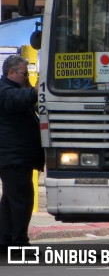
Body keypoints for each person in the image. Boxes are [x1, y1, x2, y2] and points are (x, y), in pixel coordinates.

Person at [0, 55, 44, 249]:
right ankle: (19, 244)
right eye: (24, 74)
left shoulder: (14, 89)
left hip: (16, 157)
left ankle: (5, 241)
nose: (27, 78)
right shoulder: (5, 90)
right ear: (11, 72)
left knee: (10, 202)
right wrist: (38, 89)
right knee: (22, 202)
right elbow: (15, 100)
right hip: (13, 157)